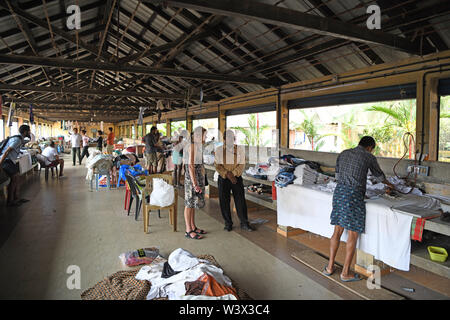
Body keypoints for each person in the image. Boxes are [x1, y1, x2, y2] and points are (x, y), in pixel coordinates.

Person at [324, 136, 394, 282]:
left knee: (337, 231)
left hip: (339, 193)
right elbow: (379, 176)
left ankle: (330, 267)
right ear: (370, 147)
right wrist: (390, 185)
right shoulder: (368, 156)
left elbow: (338, 175)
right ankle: (345, 273)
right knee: (353, 234)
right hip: (354, 195)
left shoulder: (343, 153)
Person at [215, 130, 254, 232]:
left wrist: (233, 174)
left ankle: (244, 223)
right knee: (224, 201)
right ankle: (228, 223)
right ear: (224, 139)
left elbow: (242, 164)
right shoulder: (219, 150)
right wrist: (227, 174)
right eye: (228, 138)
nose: (231, 140)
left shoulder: (239, 149)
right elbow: (217, 165)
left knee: (240, 200)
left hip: (236, 178)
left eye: (232, 138)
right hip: (223, 178)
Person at [183, 126, 207, 240]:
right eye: (204, 135)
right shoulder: (192, 146)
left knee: (193, 204)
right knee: (188, 205)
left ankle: (193, 226)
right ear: (197, 136)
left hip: (196, 178)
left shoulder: (197, 146)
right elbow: (191, 166)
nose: (205, 138)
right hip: (191, 179)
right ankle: (188, 230)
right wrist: (194, 184)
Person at [0, 124, 31, 207]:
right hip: (6, 161)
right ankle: (10, 201)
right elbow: (7, 151)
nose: (30, 132)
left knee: (16, 178)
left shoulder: (19, 139)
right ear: (25, 132)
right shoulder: (17, 140)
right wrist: (0, 164)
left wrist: (30, 137)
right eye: (29, 131)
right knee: (15, 177)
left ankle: (16, 198)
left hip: (10, 161)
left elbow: (26, 141)